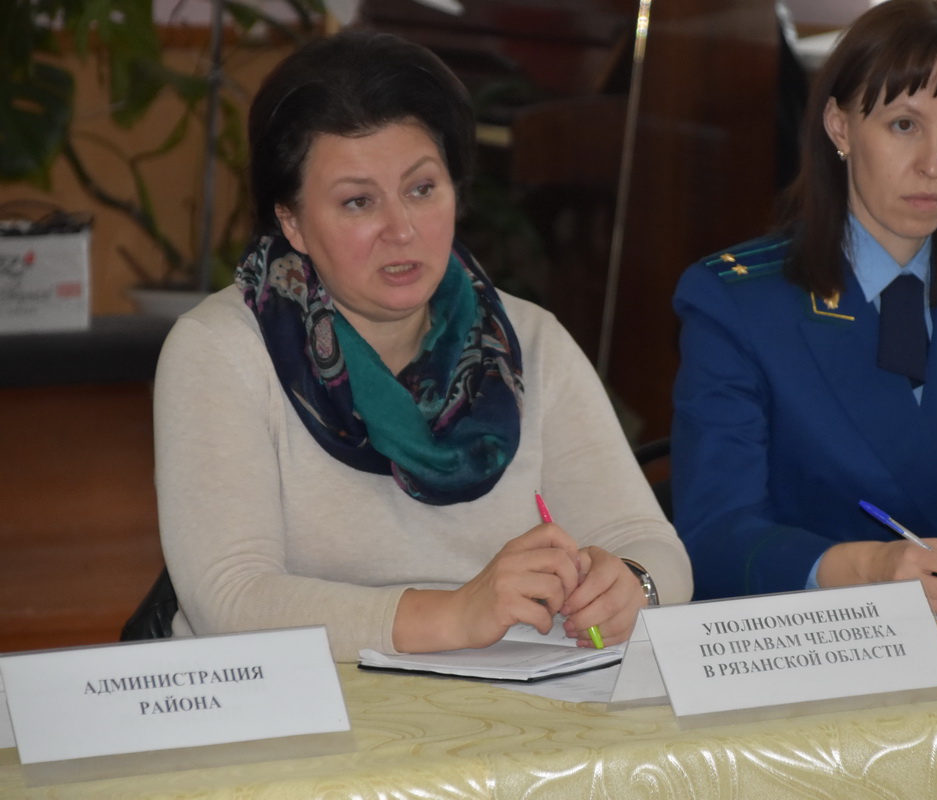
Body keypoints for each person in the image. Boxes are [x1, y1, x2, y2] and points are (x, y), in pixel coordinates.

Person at [153, 29, 691, 662]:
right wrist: (454, 614)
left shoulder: (527, 342)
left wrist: (631, 586)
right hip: (304, 704)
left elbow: (652, 546)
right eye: (358, 202)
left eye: (421, 189)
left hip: (513, 701)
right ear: (292, 221)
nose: (401, 229)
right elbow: (231, 600)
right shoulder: (222, 351)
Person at [670, 0, 937, 612]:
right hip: (794, 633)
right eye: (904, 125)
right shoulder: (739, 302)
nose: (934, 164)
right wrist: (869, 566)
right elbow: (716, 535)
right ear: (840, 127)